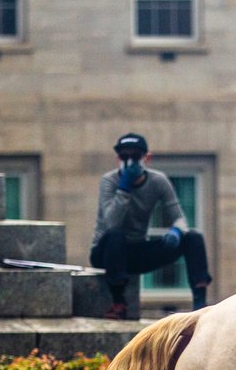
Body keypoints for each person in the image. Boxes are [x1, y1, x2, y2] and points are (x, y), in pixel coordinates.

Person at [90, 133, 212, 319]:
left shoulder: (158, 181)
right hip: (106, 252)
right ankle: (118, 302)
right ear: (118, 159)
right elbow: (111, 223)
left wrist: (177, 231)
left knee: (193, 237)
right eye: (124, 157)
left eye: (135, 156)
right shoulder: (110, 181)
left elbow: (179, 217)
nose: (130, 161)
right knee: (116, 235)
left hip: (136, 251)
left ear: (146, 158)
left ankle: (200, 302)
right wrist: (124, 189)